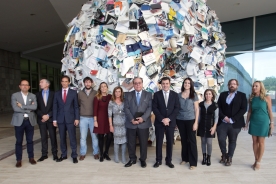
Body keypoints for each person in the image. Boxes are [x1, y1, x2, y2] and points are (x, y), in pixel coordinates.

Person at [217, 79, 247, 166]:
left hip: (235, 123)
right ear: (228, 85)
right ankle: (223, 154)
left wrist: (233, 119)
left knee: (232, 140)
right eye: (230, 84)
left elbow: (243, 109)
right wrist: (224, 117)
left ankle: (229, 158)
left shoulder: (242, 95)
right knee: (221, 139)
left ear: (237, 86)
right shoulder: (222, 95)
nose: (232, 85)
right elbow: (218, 107)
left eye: (234, 84)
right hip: (223, 122)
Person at [124, 77, 152, 168]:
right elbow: (126, 108)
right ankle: (132, 159)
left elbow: (150, 108)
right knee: (131, 143)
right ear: (133, 84)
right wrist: (132, 119)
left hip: (143, 123)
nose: (137, 85)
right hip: (131, 123)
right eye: (135, 83)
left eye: (139, 83)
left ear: (142, 83)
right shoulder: (128, 95)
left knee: (144, 143)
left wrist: (143, 118)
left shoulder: (148, 94)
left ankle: (143, 159)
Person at [245, 81, 274, 170]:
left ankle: (259, 162)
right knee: (254, 142)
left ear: (261, 87)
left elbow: (269, 111)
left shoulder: (267, 97)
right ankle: (256, 159)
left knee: (261, 142)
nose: (254, 87)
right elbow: (250, 111)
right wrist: (247, 122)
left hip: (263, 121)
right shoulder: (251, 98)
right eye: (253, 86)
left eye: (256, 86)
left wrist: (272, 123)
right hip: (254, 121)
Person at [152, 77, 180, 168]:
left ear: (169, 84)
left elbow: (176, 108)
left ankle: (169, 161)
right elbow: (155, 108)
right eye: (163, 83)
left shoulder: (175, 95)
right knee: (159, 142)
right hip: (160, 122)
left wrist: (169, 119)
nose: (165, 85)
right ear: (161, 84)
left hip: (171, 122)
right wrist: (162, 119)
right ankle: (158, 160)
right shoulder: (156, 95)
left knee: (169, 142)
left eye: (167, 83)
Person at [53, 76, 80, 164]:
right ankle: (63, 154)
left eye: (66, 81)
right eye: (63, 81)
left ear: (69, 82)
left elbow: (76, 106)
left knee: (72, 138)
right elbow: (55, 107)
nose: (64, 83)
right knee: (62, 138)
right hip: (60, 119)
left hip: (71, 119)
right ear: (61, 82)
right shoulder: (57, 93)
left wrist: (77, 118)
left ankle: (74, 155)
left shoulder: (73, 92)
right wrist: (54, 119)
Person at [11, 80, 37, 168]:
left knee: (30, 140)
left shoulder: (32, 96)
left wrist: (22, 106)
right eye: (23, 85)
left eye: (26, 85)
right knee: (19, 141)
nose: (25, 86)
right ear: (20, 86)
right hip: (19, 121)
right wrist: (29, 109)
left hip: (29, 121)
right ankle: (19, 160)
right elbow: (15, 108)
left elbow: (35, 107)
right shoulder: (15, 96)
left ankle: (31, 158)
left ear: (29, 87)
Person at [176, 77, 199, 170]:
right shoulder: (178, 95)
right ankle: (185, 158)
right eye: (185, 83)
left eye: (189, 83)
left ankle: (193, 162)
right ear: (183, 84)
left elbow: (196, 109)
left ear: (191, 85)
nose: (187, 84)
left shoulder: (194, 95)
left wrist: (196, 122)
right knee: (183, 140)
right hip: (180, 120)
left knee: (192, 141)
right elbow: (176, 108)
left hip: (190, 120)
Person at [36, 79, 58, 162]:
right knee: (43, 137)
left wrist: (48, 115)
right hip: (41, 120)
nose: (40, 84)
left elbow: (55, 107)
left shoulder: (54, 94)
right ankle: (44, 154)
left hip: (51, 119)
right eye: (40, 82)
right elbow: (36, 108)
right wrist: (42, 115)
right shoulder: (37, 95)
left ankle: (55, 154)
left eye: (41, 82)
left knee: (53, 137)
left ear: (47, 84)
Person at [78, 77, 99, 161]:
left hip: (93, 118)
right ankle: (83, 153)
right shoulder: (80, 93)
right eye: (86, 82)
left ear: (92, 83)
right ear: (84, 83)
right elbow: (79, 104)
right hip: (83, 118)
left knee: (94, 137)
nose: (87, 84)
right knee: (83, 137)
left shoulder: (96, 93)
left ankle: (96, 153)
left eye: (89, 82)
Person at [197, 89, 218, 166]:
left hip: (210, 126)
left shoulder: (215, 105)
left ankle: (209, 157)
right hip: (202, 125)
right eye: (206, 94)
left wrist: (214, 127)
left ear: (212, 95)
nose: (208, 95)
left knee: (209, 142)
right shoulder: (201, 104)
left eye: (209, 94)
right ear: (204, 95)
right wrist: (197, 124)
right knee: (203, 141)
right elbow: (199, 116)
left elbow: (216, 117)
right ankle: (204, 157)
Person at [93, 82, 113, 162]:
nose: (104, 88)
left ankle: (106, 152)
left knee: (109, 136)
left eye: (105, 86)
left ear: (107, 88)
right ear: (100, 88)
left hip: (108, 119)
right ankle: (101, 154)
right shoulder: (97, 97)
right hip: (100, 119)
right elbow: (95, 110)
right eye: (102, 86)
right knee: (100, 137)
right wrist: (95, 121)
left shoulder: (110, 97)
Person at [108, 86, 127, 164]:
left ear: (121, 92)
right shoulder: (111, 102)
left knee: (124, 140)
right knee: (116, 140)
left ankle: (123, 156)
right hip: (115, 123)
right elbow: (109, 115)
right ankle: (116, 156)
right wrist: (110, 125)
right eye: (116, 91)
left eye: (119, 91)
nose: (117, 93)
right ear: (114, 93)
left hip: (124, 124)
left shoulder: (125, 101)